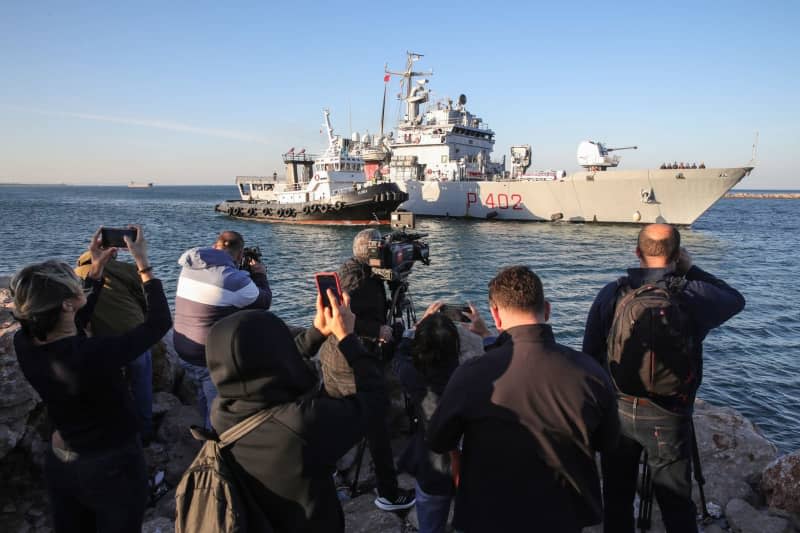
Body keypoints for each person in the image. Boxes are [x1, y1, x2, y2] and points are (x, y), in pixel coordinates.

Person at [427, 266, 620, 532]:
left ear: (495, 315)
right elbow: (607, 442)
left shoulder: (471, 375)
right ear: (548, 310)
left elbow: (438, 439)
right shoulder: (591, 373)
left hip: (490, 514)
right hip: (564, 515)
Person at [582, 223, 745, 533]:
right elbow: (735, 299)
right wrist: (692, 269)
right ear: (677, 254)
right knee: (677, 503)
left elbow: (589, 355)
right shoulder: (692, 294)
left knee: (616, 497)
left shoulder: (613, 293)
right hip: (671, 415)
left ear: (637, 252)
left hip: (619, 411)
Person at [10, 226, 171, 533]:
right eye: (75, 285)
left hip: (62, 459)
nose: (79, 284)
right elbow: (159, 322)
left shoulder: (25, 341)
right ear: (67, 305)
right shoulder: (94, 354)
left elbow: (72, 323)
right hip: (112, 464)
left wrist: (95, 271)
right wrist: (144, 264)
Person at [206, 289, 386, 533]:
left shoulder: (221, 410)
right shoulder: (302, 425)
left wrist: (317, 333)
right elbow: (375, 400)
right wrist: (347, 338)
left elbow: (275, 365)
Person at [319, 228, 415, 511]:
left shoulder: (357, 270)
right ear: (373, 254)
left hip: (336, 356)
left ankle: (329, 472)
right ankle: (388, 492)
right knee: (377, 423)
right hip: (350, 360)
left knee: (332, 416)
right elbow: (340, 309)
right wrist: (379, 329)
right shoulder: (358, 280)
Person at [173, 230, 272, 429]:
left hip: (181, 348)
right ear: (240, 253)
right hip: (206, 357)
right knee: (216, 405)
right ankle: (215, 445)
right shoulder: (233, 280)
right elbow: (263, 301)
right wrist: (259, 275)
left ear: (215, 246)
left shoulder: (190, 266)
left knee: (203, 392)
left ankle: (203, 422)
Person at [392, 304, 462, 533]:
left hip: (432, 471)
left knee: (430, 521)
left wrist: (416, 328)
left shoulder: (414, 378)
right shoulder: (467, 377)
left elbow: (400, 355)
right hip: (467, 469)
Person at [74, 250, 154, 441]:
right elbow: (146, 297)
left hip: (103, 339)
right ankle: (145, 430)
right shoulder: (127, 270)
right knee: (142, 382)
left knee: (111, 387)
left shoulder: (77, 274)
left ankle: (113, 428)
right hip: (134, 332)